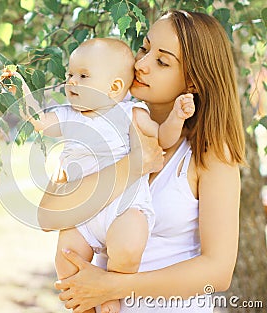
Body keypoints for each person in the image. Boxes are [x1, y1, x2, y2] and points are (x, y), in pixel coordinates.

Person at [37, 9, 246, 313]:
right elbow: (48, 218)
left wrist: (112, 287)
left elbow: (218, 272)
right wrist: (134, 164)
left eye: (162, 61)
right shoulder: (99, 133)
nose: (142, 65)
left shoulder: (211, 154)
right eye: (145, 48)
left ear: (193, 83)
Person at [18, 37, 195, 313]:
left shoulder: (130, 112)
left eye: (83, 76)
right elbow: (39, 122)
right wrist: (20, 90)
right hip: (83, 212)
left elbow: (162, 138)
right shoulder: (68, 115)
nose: (71, 82)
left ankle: (112, 293)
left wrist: (177, 118)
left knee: (128, 246)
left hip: (123, 207)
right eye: (69, 75)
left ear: (113, 88)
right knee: (66, 260)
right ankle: (85, 307)